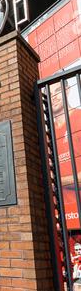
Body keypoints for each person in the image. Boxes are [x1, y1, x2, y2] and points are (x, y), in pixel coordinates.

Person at [51, 82, 81, 228]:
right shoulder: (47, 134)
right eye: (49, 95)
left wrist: (56, 181)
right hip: (59, 219)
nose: (53, 98)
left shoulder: (79, 118)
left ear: (67, 90)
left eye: (57, 91)